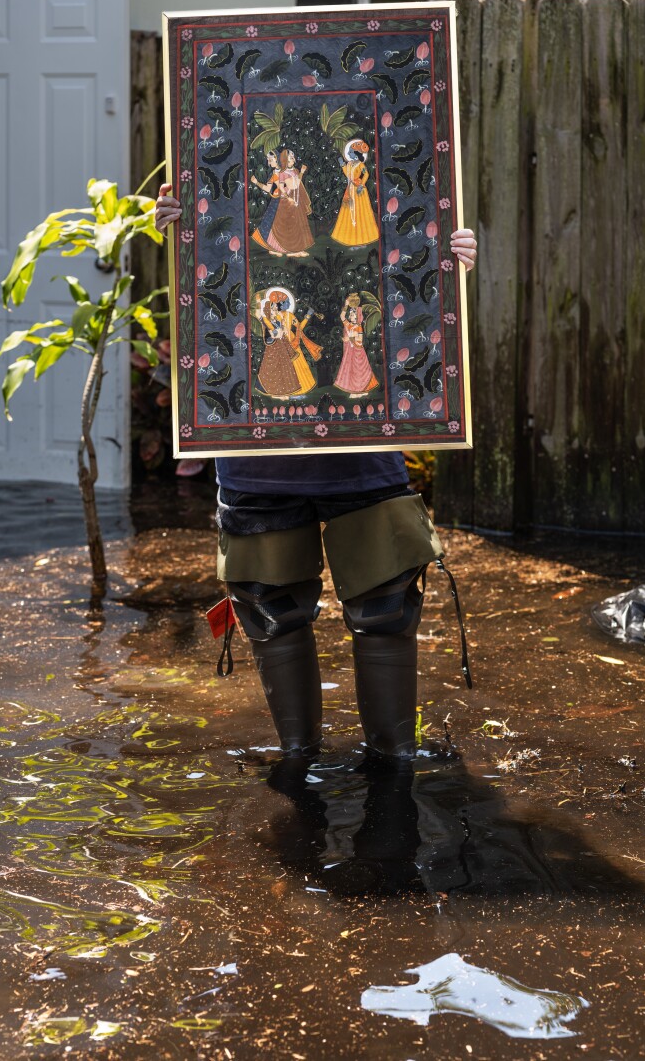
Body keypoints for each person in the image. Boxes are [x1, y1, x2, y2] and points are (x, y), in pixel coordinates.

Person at [156, 180, 477, 766]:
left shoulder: (380, 171)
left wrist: (442, 269)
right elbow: (209, 305)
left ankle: (389, 770)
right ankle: (302, 768)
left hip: (363, 451)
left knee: (385, 606)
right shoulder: (217, 141)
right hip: (257, 461)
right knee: (270, 609)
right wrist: (182, 236)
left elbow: (406, 279)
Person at [330, 139, 380, 248]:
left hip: (359, 191)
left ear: (356, 154)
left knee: (360, 214)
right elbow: (348, 175)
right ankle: (352, 239)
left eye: (351, 152)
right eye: (349, 152)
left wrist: (361, 184)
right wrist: (343, 165)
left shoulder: (360, 165)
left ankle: (362, 239)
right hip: (350, 189)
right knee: (349, 213)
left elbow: (366, 174)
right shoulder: (350, 164)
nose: (348, 154)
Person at [333, 293, 379, 398]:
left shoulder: (358, 327)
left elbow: (360, 340)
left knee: (359, 372)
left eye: (352, 315)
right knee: (351, 371)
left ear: (357, 316)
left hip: (358, 352)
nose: (350, 316)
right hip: (350, 352)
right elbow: (342, 316)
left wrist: (349, 338)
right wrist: (346, 305)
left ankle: (360, 391)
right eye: (350, 314)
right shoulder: (349, 325)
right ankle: (354, 391)